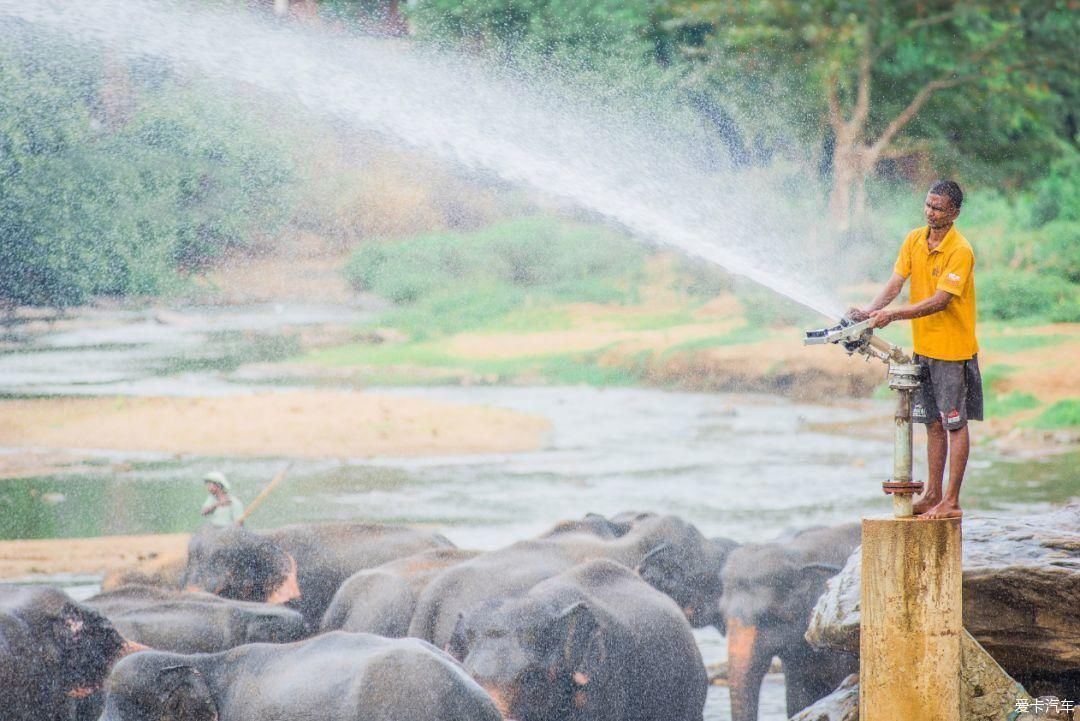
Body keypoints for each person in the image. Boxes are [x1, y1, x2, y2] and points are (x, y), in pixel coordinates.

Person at [848, 180, 982, 520]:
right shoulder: (914, 240)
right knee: (933, 424)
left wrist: (893, 315)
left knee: (954, 424)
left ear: (954, 213)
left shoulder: (960, 250)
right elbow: (896, 282)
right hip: (924, 348)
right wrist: (868, 312)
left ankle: (951, 501)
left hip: (952, 351)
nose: (930, 211)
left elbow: (941, 301)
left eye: (937, 207)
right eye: (927, 204)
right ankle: (933, 495)